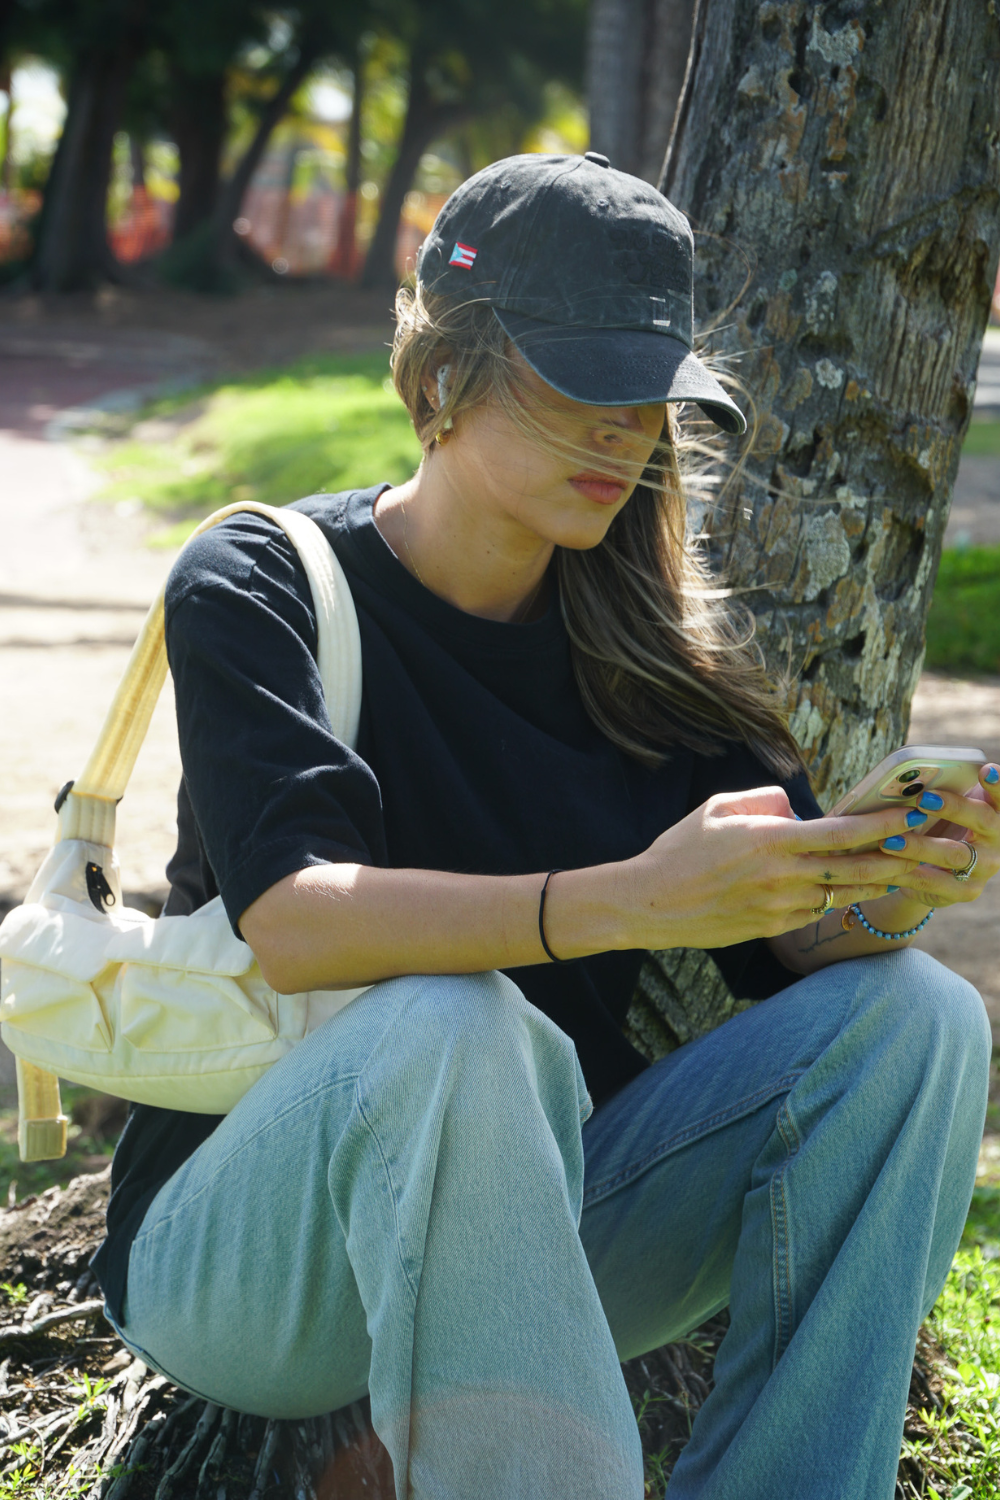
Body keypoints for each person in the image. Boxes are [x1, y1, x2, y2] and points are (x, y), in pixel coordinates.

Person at [92, 153, 998, 1500]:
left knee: (921, 1022)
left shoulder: (643, 654)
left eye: (650, 392)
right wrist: (627, 897)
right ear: (447, 371)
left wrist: (883, 879)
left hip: (546, 1228)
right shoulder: (263, 580)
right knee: (455, 1018)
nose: (625, 431)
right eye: (584, 382)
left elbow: (795, 961)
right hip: (250, 1256)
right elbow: (291, 921)